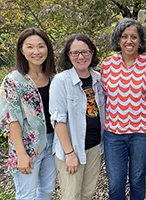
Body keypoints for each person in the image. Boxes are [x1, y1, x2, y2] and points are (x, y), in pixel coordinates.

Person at [100, 18, 146, 200]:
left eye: (134, 36)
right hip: (114, 134)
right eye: (124, 36)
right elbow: (104, 98)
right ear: (118, 40)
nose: (129, 41)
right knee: (115, 184)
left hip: (143, 133)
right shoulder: (107, 65)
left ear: (141, 40)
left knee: (137, 180)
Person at [0, 28, 56, 200]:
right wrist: (21, 154)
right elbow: (11, 119)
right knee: (26, 195)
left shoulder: (53, 77)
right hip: (27, 146)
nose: (36, 52)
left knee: (47, 190)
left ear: (48, 49)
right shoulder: (13, 80)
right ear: (22, 50)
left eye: (41, 46)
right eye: (30, 47)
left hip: (52, 143)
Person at [49, 34, 105, 200]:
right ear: (68, 55)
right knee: (71, 196)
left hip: (94, 148)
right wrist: (69, 153)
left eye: (85, 52)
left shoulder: (99, 79)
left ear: (92, 53)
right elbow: (58, 120)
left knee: (87, 194)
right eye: (75, 53)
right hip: (72, 149)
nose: (81, 57)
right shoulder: (61, 81)